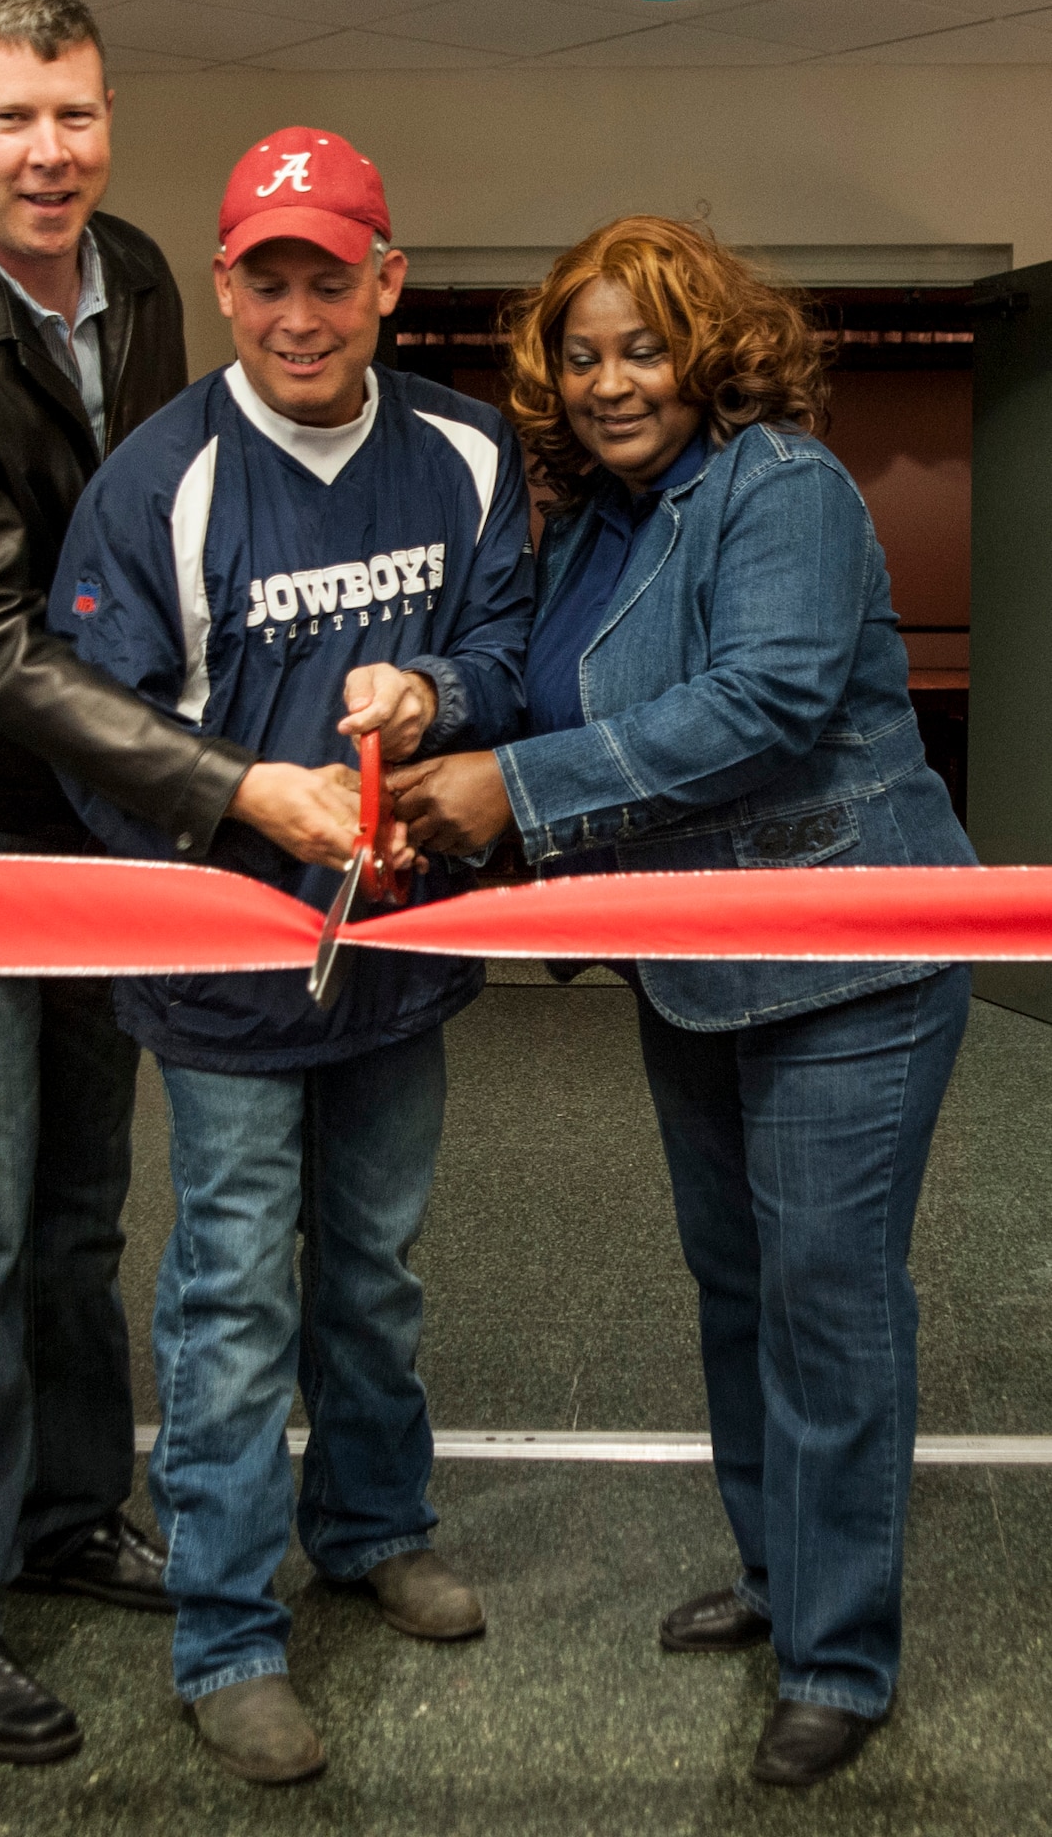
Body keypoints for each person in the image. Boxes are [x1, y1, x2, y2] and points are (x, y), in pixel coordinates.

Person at [0, 0, 360, 1768]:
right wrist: (236, 790)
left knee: (69, 1219)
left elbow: (182, 512)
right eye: (11, 119)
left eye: (76, 114)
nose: (50, 155)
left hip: (98, 818)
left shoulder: (134, 269)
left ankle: (62, 1516)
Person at [389, 217, 975, 1790]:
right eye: (578, 357)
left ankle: (840, 1660)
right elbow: (528, 678)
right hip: (697, 961)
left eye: (639, 348)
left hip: (851, 962)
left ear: (707, 350)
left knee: (827, 1305)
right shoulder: (596, 524)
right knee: (737, 1291)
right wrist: (437, 706)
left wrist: (507, 789)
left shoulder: (777, 488)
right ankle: (782, 1581)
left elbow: (764, 705)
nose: (606, 383)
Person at [48, 126, 534, 1785]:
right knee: (232, 1296)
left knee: (374, 1268)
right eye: (268, 277)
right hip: (225, 973)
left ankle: (373, 1526)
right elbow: (96, 738)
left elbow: (504, 647)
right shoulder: (156, 482)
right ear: (226, 283)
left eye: (333, 275)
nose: (300, 310)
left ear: (385, 282)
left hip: (394, 957)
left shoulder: (467, 453)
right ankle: (225, 1633)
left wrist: (434, 702)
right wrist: (258, 832)